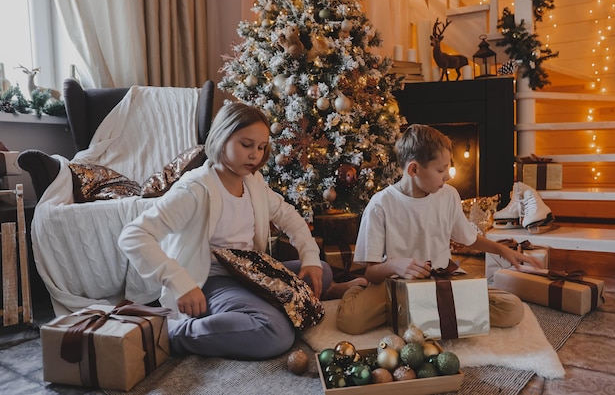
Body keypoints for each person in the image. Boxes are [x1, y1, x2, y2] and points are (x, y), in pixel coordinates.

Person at [119, 102, 363, 360]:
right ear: (222, 138)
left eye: (261, 147)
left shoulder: (253, 182)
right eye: (246, 145)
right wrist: (179, 282)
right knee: (274, 332)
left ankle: (303, 295)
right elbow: (133, 236)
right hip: (210, 280)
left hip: (249, 272)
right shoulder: (194, 190)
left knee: (320, 270)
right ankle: (171, 334)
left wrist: (311, 258)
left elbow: (288, 216)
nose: (255, 155)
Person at [335, 124, 542, 335]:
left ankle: (412, 313)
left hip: (441, 281)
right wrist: (396, 265)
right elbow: (372, 272)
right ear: (414, 169)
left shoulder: (448, 195)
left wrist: (504, 250)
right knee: (350, 320)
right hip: (397, 285)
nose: (448, 176)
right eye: (441, 170)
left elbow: (469, 239)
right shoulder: (380, 205)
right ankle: (358, 288)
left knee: (511, 310)